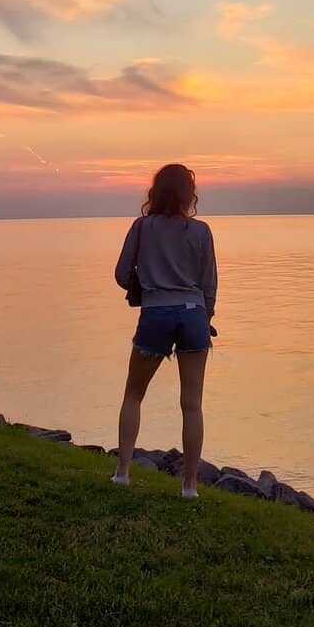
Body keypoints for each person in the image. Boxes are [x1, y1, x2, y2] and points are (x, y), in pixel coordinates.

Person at [113, 163, 218, 499]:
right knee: (192, 404)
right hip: (194, 315)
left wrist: (146, 283)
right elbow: (208, 285)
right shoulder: (201, 232)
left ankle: (123, 473)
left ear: (154, 192)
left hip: (156, 312)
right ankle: (189, 486)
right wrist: (207, 315)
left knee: (134, 394)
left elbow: (120, 274)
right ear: (189, 194)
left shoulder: (142, 228)